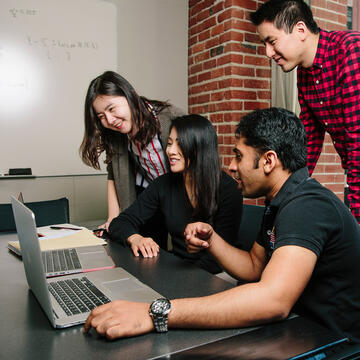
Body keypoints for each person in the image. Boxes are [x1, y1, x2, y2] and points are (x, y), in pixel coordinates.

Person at [83, 107, 360, 343]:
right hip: (299, 330)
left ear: (268, 161)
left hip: (334, 341)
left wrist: (154, 312)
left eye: (238, 156)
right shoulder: (280, 203)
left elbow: (273, 301)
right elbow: (254, 267)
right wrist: (212, 240)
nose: (230, 165)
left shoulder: (307, 206)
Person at [250, 0, 360, 224]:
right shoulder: (305, 73)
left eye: (272, 41)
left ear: (300, 30)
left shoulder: (350, 50)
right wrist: (283, 195)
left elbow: (358, 140)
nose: (268, 53)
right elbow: (307, 143)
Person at [107, 114, 243, 274]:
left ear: (199, 148)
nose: (170, 151)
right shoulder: (163, 184)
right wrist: (135, 238)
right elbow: (120, 223)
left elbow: (217, 261)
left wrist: (172, 278)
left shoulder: (228, 189)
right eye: (169, 143)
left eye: (179, 144)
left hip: (217, 274)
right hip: (179, 268)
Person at [80, 71, 184, 247]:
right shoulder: (116, 134)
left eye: (112, 109)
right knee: (146, 251)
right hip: (150, 195)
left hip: (181, 193)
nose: (110, 120)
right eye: (101, 116)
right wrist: (113, 218)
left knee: (185, 250)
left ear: (129, 96)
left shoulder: (171, 117)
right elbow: (113, 174)